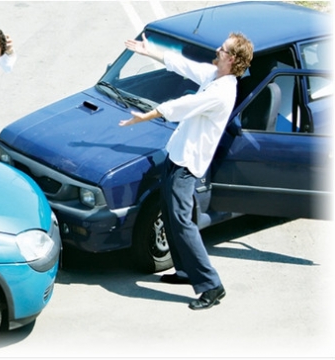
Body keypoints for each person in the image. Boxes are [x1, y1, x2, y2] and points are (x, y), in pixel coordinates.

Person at [119, 32, 253, 310]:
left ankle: (211, 285)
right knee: (170, 215)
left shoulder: (222, 91)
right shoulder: (214, 76)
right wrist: (148, 51)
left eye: (222, 48)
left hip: (187, 165)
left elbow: (183, 106)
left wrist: (148, 115)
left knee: (182, 223)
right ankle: (184, 271)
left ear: (231, 58)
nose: (217, 49)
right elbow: (181, 64)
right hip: (176, 155)